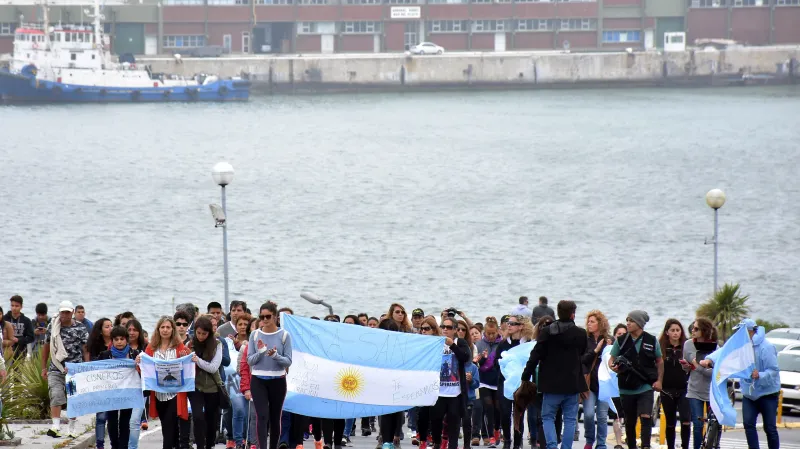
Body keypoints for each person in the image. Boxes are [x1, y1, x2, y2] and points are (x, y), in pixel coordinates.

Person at [703, 319, 779, 449]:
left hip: (768, 393)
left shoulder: (766, 347)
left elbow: (773, 370)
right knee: (748, 425)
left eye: (740, 331)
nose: (738, 333)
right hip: (749, 394)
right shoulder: (741, 345)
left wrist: (759, 375)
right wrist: (709, 359)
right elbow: (724, 352)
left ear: (750, 331)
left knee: (770, 428)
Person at [521, 300, 587, 449]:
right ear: (573, 314)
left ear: (557, 312)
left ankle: (551, 446)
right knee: (570, 419)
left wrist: (526, 375)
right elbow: (582, 353)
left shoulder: (547, 331)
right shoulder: (581, 333)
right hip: (572, 382)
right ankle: (566, 447)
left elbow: (535, 355)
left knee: (548, 417)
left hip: (551, 384)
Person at [609, 311, 663, 449]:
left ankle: (646, 446)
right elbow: (611, 360)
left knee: (645, 416)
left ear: (640, 323)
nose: (628, 323)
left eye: (631, 321)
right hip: (626, 387)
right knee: (630, 421)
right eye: (627, 320)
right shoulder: (621, 341)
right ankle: (632, 446)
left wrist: (659, 381)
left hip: (645, 385)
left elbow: (659, 361)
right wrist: (613, 367)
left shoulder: (651, 340)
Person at [137, 316, 192, 449]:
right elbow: (144, 370)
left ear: (173, 330)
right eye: (162, 327)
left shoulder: (179, 347)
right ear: (158, 329)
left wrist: (189, 356)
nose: (165, 330)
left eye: (168, 327)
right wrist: (138, 362)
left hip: (175, 394)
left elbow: (189, 366)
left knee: (168, 427)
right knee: (169, 428)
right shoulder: (151, 348)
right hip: (158, 394)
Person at [247, 301, 293, 449]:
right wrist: (260, 353)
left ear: (275, 317)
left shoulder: (284, 335)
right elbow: (249, 360)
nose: (264, 320)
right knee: (262, 415)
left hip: (278, 380)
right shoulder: (255, 335)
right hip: (258, 379)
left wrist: (276, 356)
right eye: (262, 316)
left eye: (268, 316)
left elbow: (288, 361)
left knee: (275, 417)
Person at [41, 300, 89, 439]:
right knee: (55, 394)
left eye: (68, 312)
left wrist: (86, 366)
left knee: (73, 398)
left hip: (74, 369)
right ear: (59, 312)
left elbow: (85, 349)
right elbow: (46, 346)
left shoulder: (80, 328)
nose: (65, 315)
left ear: (72, 312)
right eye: (63, 312)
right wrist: (44, 367)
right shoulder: (53, 326)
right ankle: (55, 426)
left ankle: (71, 428)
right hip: (56, 367)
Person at [431, 316, 471, 449]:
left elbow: (465, 357)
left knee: (454, 422)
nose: (445, 329)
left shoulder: (460, 342)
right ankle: (437, 442)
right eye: (443, 326)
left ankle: (452, 446)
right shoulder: (436, 342)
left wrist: (452, 345)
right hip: (439, 391)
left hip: (455, 392)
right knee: (436, 420)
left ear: (455, 330)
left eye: (448, 327)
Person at [97, 326, 139, 449]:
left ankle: (123, 446)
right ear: (112, 341)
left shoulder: (134, 354)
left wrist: (139, 364)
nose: (119, 342)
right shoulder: (105, 355)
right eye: (116, 339)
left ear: (126, 340)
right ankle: (114, 445)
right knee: (112, 421)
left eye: (122, 339)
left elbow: (144, 371)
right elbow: (93, 370)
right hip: (111, 394)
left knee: (125, 422)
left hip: (128, 393)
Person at [189, 316, 224, 449]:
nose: (201, 336)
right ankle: (200, 446)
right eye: (198, 333)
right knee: (197, 417)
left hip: (212, 387)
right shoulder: (190, 344)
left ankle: (210, 445)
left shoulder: (217, 344)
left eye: (204, 333)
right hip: (195, 387)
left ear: (209, 333)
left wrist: (197, 360)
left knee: (211, 420)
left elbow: (213, 367)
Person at [582, 310, 612, 449]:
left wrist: (609, 348)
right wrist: (595, 350)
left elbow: (614, 362)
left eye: (592, 321)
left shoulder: (609, 340)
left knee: (601, 417)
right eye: (588, 321)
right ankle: (589, 439)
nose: (589, 324)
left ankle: (601, 444)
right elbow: (582, 360)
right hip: (589, 383)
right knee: (588, 414)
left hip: (605, 384)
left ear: (600, 324)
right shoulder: (584, 340)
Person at [658, 319, 690, 449]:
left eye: (678, 330)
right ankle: (670, 446)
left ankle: (685, 446)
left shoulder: (686, 347)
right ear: (667, 332)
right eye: (672, 330)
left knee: (686, 420)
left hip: (684, 389)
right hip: (666, 389)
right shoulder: (661, 348)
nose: (676, 333)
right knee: (670, 422)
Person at [476, 317, 503, 448]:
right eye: (488, 333)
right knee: (488, 408)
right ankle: (491, 436)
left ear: (498, 331)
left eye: (493, 333)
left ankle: (497, 430)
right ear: (484, 332)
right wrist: (482, 359)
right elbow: (475, 363)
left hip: (498, 380)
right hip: (484, 381)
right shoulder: (479, 344)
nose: (491, 336)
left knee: (498, 409)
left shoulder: (502, 343)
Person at [5, 295, 34, 359]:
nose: (14, 308)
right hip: (6, 349)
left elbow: (31, 337)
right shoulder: (4, 319)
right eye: (12, 305)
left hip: (21, 352)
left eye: (16, 306)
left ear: (21, 306)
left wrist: (18, 340)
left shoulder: (26, 320)